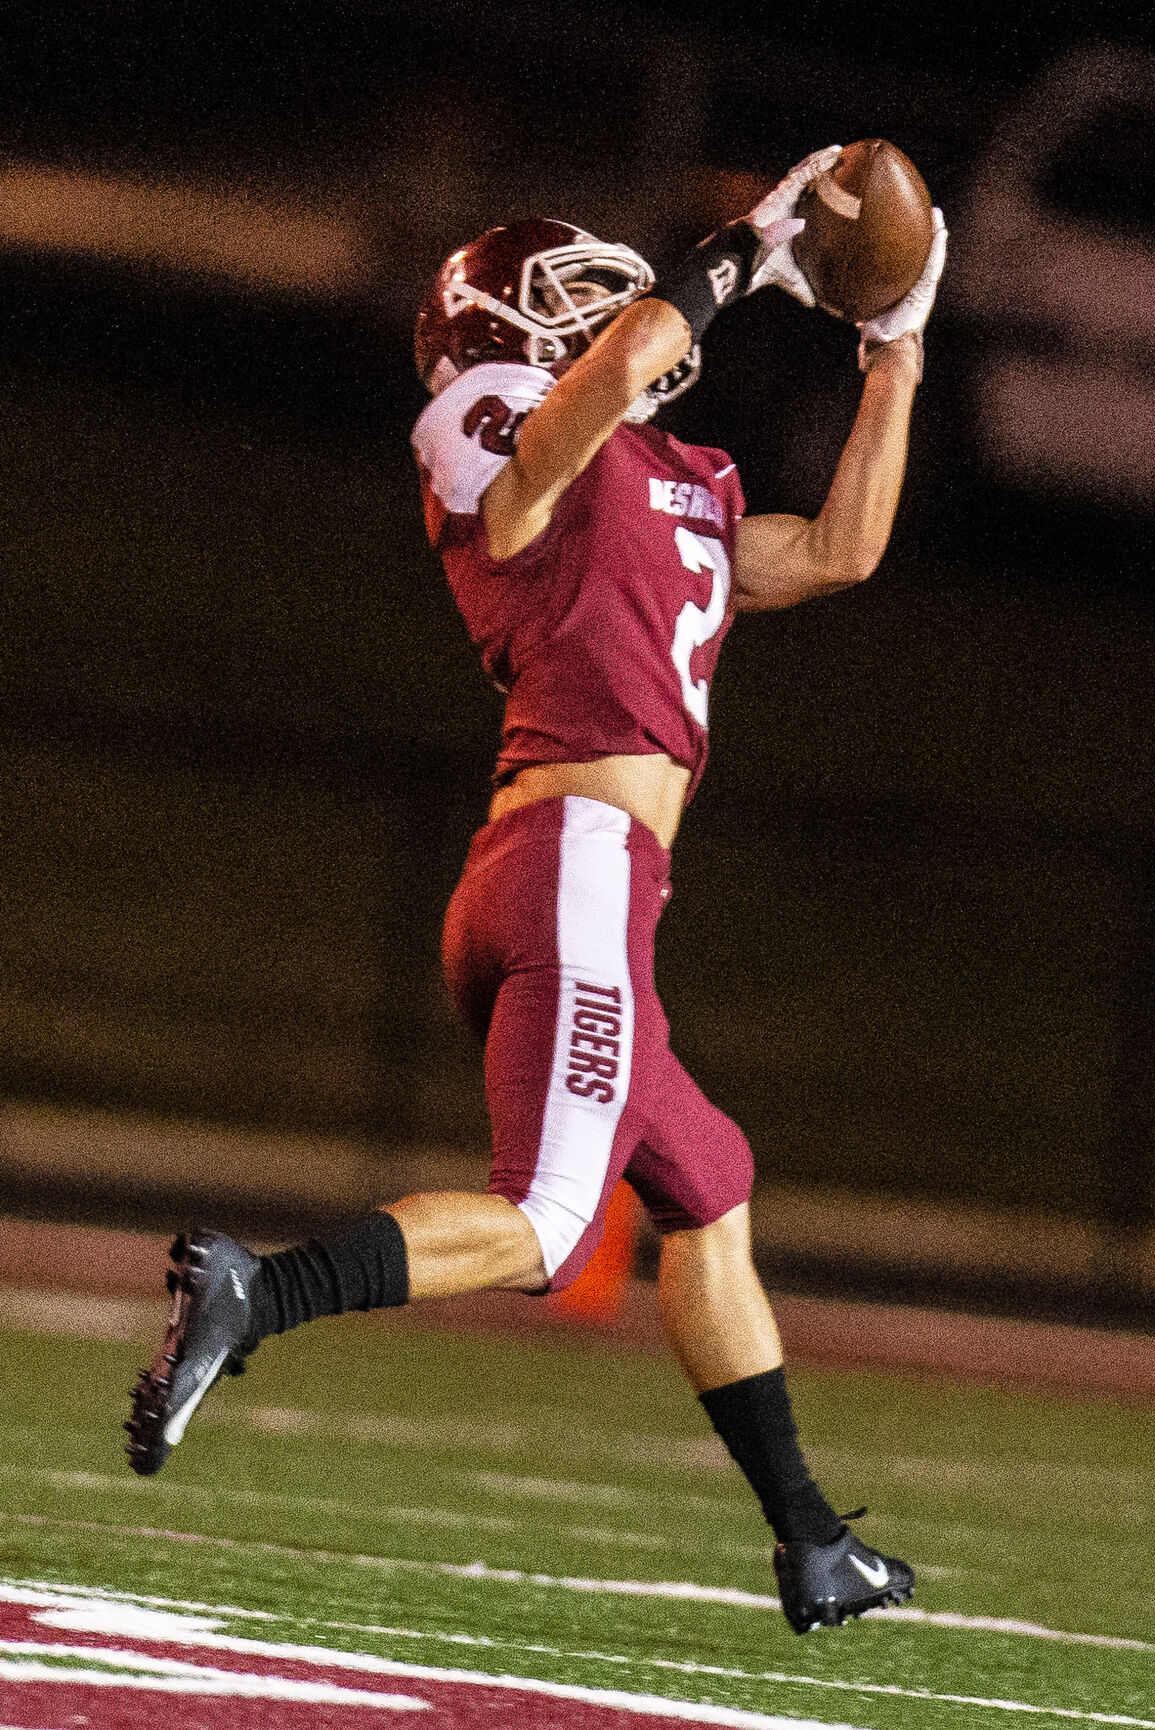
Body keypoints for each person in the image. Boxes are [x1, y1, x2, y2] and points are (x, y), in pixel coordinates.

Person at [125, 145, 947, 1637]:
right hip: (569, 865)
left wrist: (893, 348)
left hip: (589, 888)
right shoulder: (487, 429)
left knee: (709, 1187)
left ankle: (812, 1539)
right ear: (500, 330)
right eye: (569, 298)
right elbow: (619, 368)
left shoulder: (675, 477)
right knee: (552, 1225)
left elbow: (841, 548)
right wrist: (745, 243)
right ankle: (261, 1289)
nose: (611, 309)